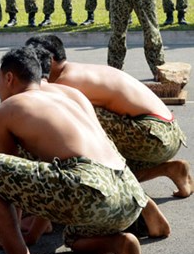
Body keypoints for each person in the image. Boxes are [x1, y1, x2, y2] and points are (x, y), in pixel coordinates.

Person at [0, 47, 152, 254]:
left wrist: (11, 237)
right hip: (129, 194)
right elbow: (58, 168)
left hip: (88, 188)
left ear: (9, 78)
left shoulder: (6, 110)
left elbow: (7, 188)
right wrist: (31, 233)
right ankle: (119, 243)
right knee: (73, 239)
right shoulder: (71, 94)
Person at [25, 34, 192, 199]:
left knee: (75, 123)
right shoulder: (76, 69)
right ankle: (170, 169)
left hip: (154, 134)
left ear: (51, 60)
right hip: (165, 132)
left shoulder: (66, 81)